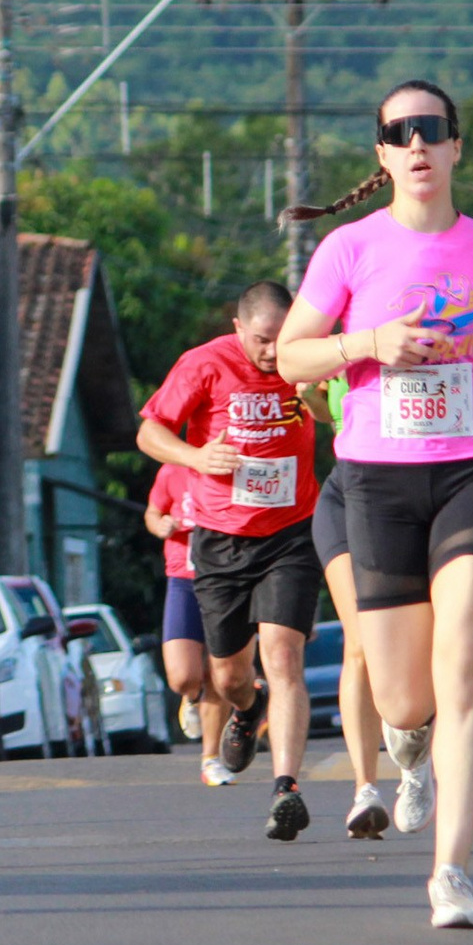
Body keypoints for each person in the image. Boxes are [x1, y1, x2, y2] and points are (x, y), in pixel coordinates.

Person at [275, 78, 473, 929]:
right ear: (384, 154)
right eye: (402, 132)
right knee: (401, 696)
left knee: (465, 664)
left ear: (457, 145)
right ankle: (408, 748)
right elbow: (290, 358)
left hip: (471, 469)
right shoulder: (351, 249)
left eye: (433, 128)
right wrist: (369, 342)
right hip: (378, 479)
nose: (419, 143)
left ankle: (452, 873)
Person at [137, 282, 324, 841]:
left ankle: (286, 787)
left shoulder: (305, 359)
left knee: (284, 656)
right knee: (228, 675)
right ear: (239, 328)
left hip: (292, 534)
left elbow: (343, 418)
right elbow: (149, 431)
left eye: (282, 338)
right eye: (263, 340)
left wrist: (317, 390)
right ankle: (249, 706)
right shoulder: (203, 365)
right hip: (220, 539)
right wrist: (196, 456)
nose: (273, 352)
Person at [313, 435, 406, 839]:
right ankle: (365, 789)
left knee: (410, 650)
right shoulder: (348, 368)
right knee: (360, 643)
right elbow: (303, 382)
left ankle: (413, 765)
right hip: (349, 491)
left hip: (416, 497)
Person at [145, 462, 232, 786]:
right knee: (183, 676)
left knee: (219, 672)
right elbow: (152, 514)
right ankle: (191, 697)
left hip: (226, 578)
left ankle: (211, 759)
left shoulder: (234, 465)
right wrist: (162, 524)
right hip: (183, 578)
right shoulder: (172, 470)